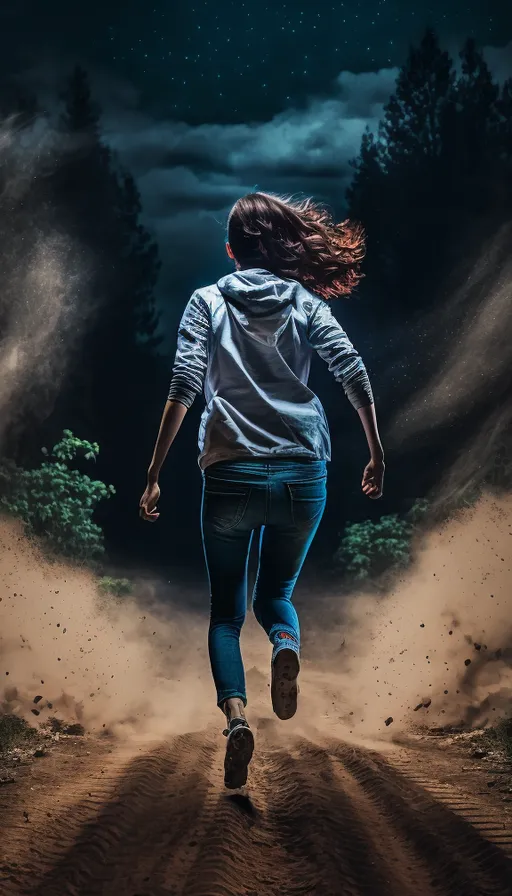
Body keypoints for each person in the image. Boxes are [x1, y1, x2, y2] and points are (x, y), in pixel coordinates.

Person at [139, 192, 384, 789]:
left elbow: (184, 383)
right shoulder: (303, 300)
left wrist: (153, 471)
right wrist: (377, 450)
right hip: (305, 473)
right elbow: (351, 369)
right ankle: (283, 645)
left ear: (231, 250)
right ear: (279, 247)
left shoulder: (208, 300)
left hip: (229, 475)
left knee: (225, 615)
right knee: (274, 595)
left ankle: (237, 720)